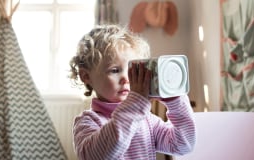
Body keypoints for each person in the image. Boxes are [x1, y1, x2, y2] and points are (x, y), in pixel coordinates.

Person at [69, 24, 196, 160]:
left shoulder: (146, 120)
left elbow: (183, 145)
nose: (126, 79)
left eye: (132, 70)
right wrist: (135, 105)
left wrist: (176, 102)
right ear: (86, 76)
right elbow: (99, 155)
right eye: (115, 70)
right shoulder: (87, 122)